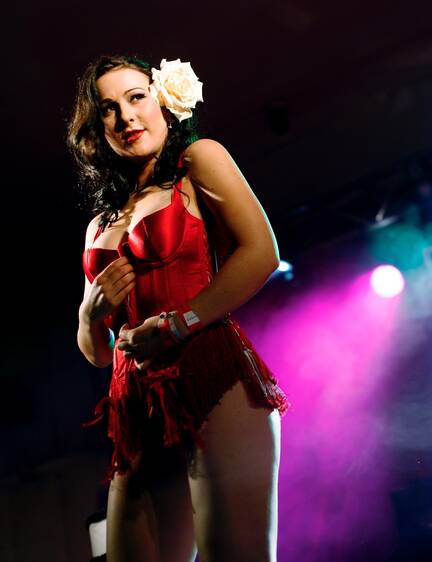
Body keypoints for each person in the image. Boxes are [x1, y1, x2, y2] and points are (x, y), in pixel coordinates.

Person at [68, 55, 290, 562]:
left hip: (210, 377)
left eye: (135, 97)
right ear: (97, 127)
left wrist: (176, 324)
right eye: (107, 108)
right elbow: (98, 353)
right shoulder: (100, 223)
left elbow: (262, 252)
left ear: (163, 100)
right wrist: (89, 315)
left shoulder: (198, 161)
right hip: (134, 404)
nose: (125, 117)